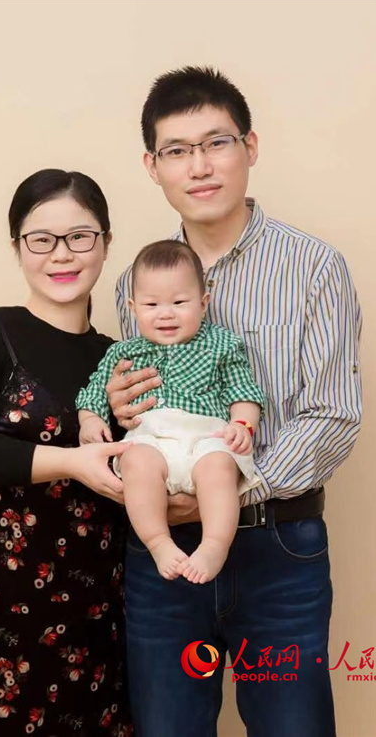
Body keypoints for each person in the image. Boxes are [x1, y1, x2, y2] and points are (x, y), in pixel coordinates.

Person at [108, 67, 363, 737]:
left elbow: (333, 414)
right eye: (177, 150)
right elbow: (141, 407)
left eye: (215, 143)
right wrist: (117, 409)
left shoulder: (314, 268)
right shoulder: (134, 284)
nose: (198, 166)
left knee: (292, 728)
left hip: (277, 548)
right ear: (152, 165)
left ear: (249, 146)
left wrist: (230, 492)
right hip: (162, 551)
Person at [0, 169, 134, 737]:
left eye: (80, 237)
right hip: (5, 616)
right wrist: (72, 462)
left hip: (102, 612)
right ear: (17, 246)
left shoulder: (121, 358)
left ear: (106, 243)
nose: (61, 254)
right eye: (41, 239)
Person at [76, 240, 265, 584]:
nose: (165, 313)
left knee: (219, 468)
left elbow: (243, 392)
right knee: (136, 462)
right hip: (152, 438)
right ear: (133, 308)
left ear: (203, 303)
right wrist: (90, 419)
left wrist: (242, 424)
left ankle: (214, 545)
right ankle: (158, 542)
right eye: (151, 304)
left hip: (207, 436)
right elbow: (94, 392)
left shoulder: (220, 344)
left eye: (179, 303)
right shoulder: (124, 353)